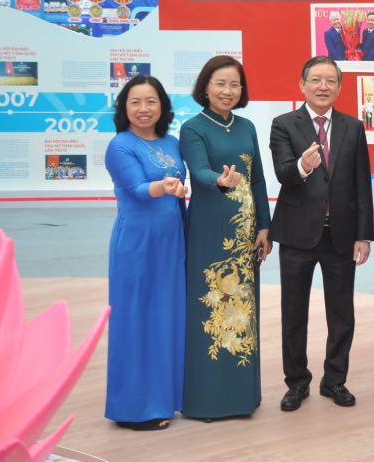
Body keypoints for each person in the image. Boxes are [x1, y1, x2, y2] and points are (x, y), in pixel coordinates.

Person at [269, 57, 373, 412]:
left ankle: (335, 380)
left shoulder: (353, 127)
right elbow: (283, 173)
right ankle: (297, 382)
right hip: (297, 235)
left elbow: (362, 184)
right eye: (316, 79)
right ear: (302, 84)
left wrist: (364, 235)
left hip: (340, 236)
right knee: (293, 314)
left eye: (330, 80)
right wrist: (303, 165)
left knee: (342, 315)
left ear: (339, 87)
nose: (323, 86)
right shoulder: (284, 124)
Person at [179, 55, 272, 420]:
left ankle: (241, 397)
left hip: (244, 230)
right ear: (205, 87)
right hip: (209, 226)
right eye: (220, 83)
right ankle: (208, 399)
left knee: (242, 306)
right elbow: (199, 170)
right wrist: (219, 180)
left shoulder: (247, 126)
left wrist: (265, 226)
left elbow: (258, 178)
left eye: (234, 84)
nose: (228, 91)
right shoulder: (193, 128)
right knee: (212, 304)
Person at [104, 75, 186, 431]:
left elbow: (182, 185)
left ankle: (164, 399)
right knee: (135, 320)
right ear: (124, 107)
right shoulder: (120, 145)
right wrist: (163, 186)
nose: (143, 109)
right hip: (137, 245)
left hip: (171, 243)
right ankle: (133, 408)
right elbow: (138, 189)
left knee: (165, 317)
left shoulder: (173, 142)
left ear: (162, 107)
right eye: (135, 102)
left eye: (151, 101)